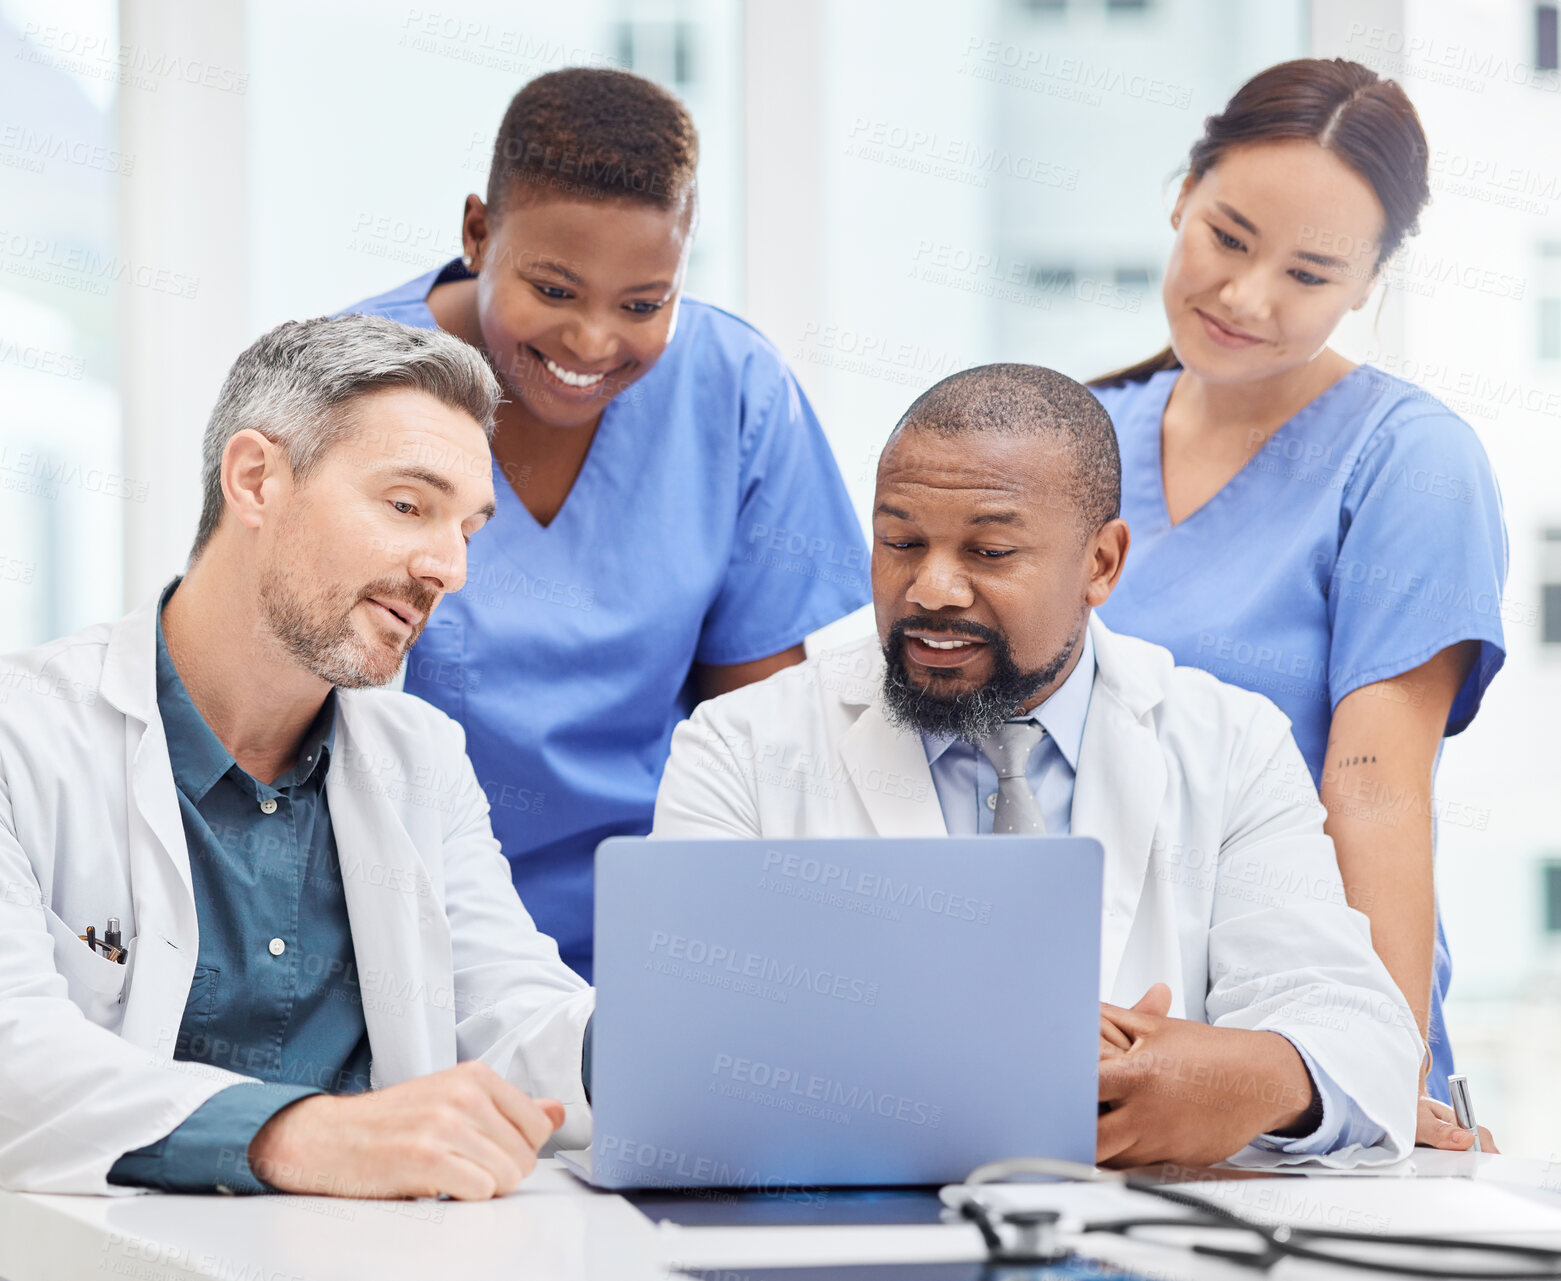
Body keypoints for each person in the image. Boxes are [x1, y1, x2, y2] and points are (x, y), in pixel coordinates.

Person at [653, 364, 1429, 1168]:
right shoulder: (740, 746)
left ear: (1101, 563)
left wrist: (1243, 1078)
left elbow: (1352, 1025)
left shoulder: (1228, 741)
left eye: (988, 550)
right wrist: (991, 1044)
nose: (932, 588)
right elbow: (678, 1039)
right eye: (900, 542)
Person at [0, 315, 596, 1198]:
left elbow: (505, 1008)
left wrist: (651, 1047)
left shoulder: (422, 756)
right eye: (407, 506)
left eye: (466, 528)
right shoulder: (26, 732)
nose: (448, 567)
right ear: (254, 479)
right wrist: (304, 1134)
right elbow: (18, 1059)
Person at [342, 67, 869, 981]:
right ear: (478, 232)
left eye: (643, 304)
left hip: (656, 929)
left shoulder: (734, 392)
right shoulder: (350, 387)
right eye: (552, 290)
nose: (591, 343)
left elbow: (757, 740)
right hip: (388, 925)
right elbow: (279, 715)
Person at [1087, 59, 1507, 1149]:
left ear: (1367, 284)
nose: (1247, 298)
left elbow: (1374, 788)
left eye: (1310, 274)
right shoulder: (1071, 436)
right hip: (1099, 1036)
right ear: (1184, 192)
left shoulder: (1406, 462)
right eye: (1227, 238)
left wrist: (1379, 1082)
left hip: (1299, 1045)